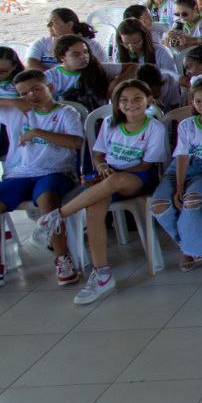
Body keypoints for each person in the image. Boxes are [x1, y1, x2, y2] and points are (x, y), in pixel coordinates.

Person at [36, 80, 166, 304]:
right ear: (117, 104)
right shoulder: (109, 123)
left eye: (137, 98)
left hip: (138, 178)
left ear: (149, 101)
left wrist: (113, 175)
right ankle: (102, 274)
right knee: (95, 208)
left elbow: (146, 165)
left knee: (114, 180)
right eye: (124, 100)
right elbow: (98, 154)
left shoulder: (155, 128)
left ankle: (57, 216)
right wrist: (102, 166)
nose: (131, 104)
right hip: (107, 178)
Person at [0, 70, 84, 287]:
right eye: (24, 93)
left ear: (50, 88)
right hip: (20, 174)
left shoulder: (66, 112)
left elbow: (76, 142)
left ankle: (62, 258)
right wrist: (13, 102)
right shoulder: (16, 112)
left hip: (56, 171)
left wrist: (37, 133)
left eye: (37, 89)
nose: (31, 95)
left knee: (48, 201)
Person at [149, 77, 202, 272]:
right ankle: (187, 245)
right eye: (198, 101)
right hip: (179, 170)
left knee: (192, 201)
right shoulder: (186, 125)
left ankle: (189, 249)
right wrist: (179, 187)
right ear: (192, 103)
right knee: (158, 205)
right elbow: (182, 157)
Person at [26, 9, 106, 69]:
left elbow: (99, 71)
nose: (48, 26)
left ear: (69, 25)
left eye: (52, 23)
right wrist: (54, 78)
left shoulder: (92, 46)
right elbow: (30, 64)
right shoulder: (41, 43)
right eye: (48, 23)